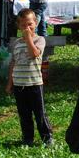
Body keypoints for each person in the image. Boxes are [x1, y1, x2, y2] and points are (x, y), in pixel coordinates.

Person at [6, 8, 53, 147]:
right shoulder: (16, 43)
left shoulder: (39, 40)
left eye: (30, 24)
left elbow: (34, 54)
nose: (27, 27)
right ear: (18, 26)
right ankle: (28, 138)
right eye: (23, 25)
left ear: (36, 23)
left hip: (34, 84)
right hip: (19, 84)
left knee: (40, 113)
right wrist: (10, 83)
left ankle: (47, 137)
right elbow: (13, 63)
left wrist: (28, 39)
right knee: (24, 114)